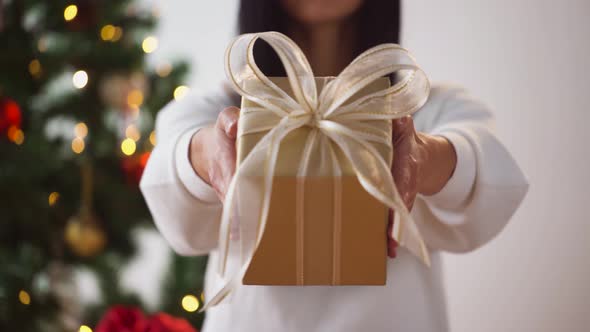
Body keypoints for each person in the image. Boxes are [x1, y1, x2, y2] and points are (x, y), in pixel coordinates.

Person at [140, 0, 529, 331]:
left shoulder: (426, 108)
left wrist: (422, 157)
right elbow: (172, 178)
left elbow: (484, 166)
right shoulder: (214, 112)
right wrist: (209, 155)